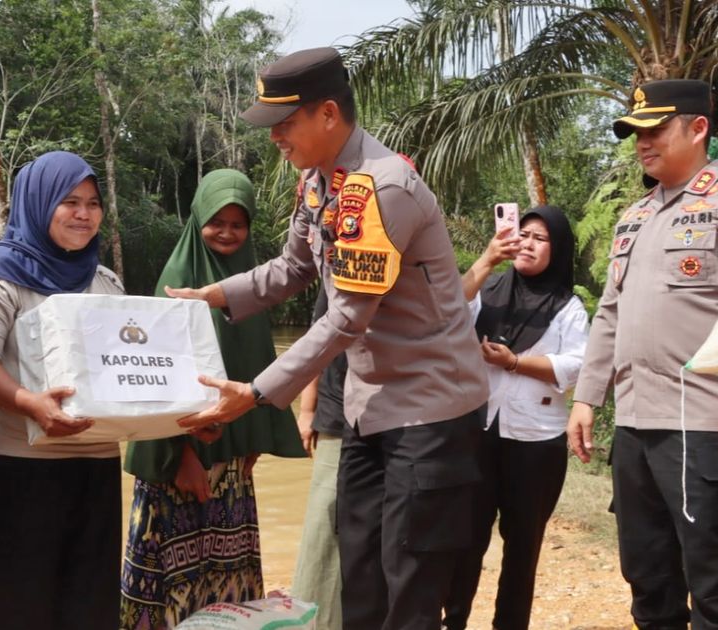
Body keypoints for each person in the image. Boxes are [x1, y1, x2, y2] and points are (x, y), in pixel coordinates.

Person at [168, 47, 490, 630]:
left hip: (429, 410)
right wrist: (212, 295)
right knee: (358, 571)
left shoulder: (382, 187)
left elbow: (346, 318)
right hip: (372, 408)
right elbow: (292, 269)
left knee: (410, 579)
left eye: (284, 124)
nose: (276, 139)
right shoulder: (319, 183)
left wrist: (258, 391)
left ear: (328, 115)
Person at [567, 79, 718, 629]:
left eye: (656, 129)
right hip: (637, 429)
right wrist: (587, 399)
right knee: (649, 579)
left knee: (715, 585)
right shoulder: (634, 216)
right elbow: (610, 314)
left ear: (699, 127)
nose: (642, 141)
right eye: (635, 131)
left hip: (706, 426)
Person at [120, 169, 306, 628]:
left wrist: (255, 436)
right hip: (181, 461)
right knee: (171, 581)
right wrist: (180, 452)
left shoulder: (253, 283)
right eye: (216, 222)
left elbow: (257, 366)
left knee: (225, 585)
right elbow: (155, 376)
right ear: (197, 218)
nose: (226, 232)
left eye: (237, 224)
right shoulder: (179, 277)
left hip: (231, 465)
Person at [0, 151, 123, 630]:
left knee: (89, 609)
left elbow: (128, 368)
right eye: (69, 201)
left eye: (93, 203)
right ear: (37, 203)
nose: (84, 214)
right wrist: (30, 403)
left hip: (99, 465)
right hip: (23, 467)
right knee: (19, 607)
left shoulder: (105, 281)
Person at [442, 207, 589, 630]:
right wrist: (486, 260)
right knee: (465, 542)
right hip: (478, 435)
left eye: (539, 238)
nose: (526, 243)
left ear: (557, 249)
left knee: (522, 550)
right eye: (522, 233)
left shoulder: (568, 306)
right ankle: (453, 622)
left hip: (536, 444)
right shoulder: (488, 289)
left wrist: (516, 363)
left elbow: (578, 365)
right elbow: (447, 315)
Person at [291, 289, 349, 630]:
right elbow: (315, 346)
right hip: (337, 417)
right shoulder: (338, 277)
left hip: (396, 422)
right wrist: (307, 409)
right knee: (325, 528)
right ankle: (315, 623)